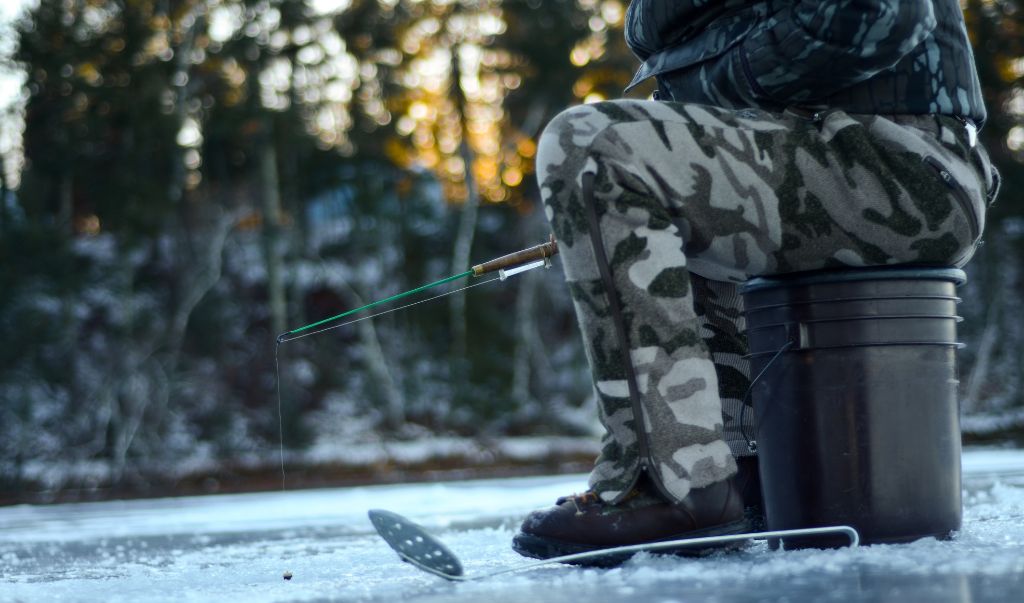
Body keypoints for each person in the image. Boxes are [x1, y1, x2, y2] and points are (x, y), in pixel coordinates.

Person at [512, 0, 1000, 563]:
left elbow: (879, 15)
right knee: (650, 161)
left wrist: (702, 98)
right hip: (840, 151)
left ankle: (671, 479)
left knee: (593, 144)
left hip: (903, 162)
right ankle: (743, 472)